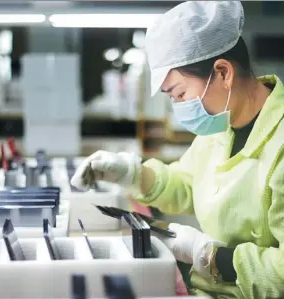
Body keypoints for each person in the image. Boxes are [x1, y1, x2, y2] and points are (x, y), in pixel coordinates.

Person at [70, 2, 284, 299]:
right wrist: (129, 173)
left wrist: (211, 256)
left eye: (180, 94)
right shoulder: (223, 124)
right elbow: (186, 184)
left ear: (223, 73)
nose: (180, 107)